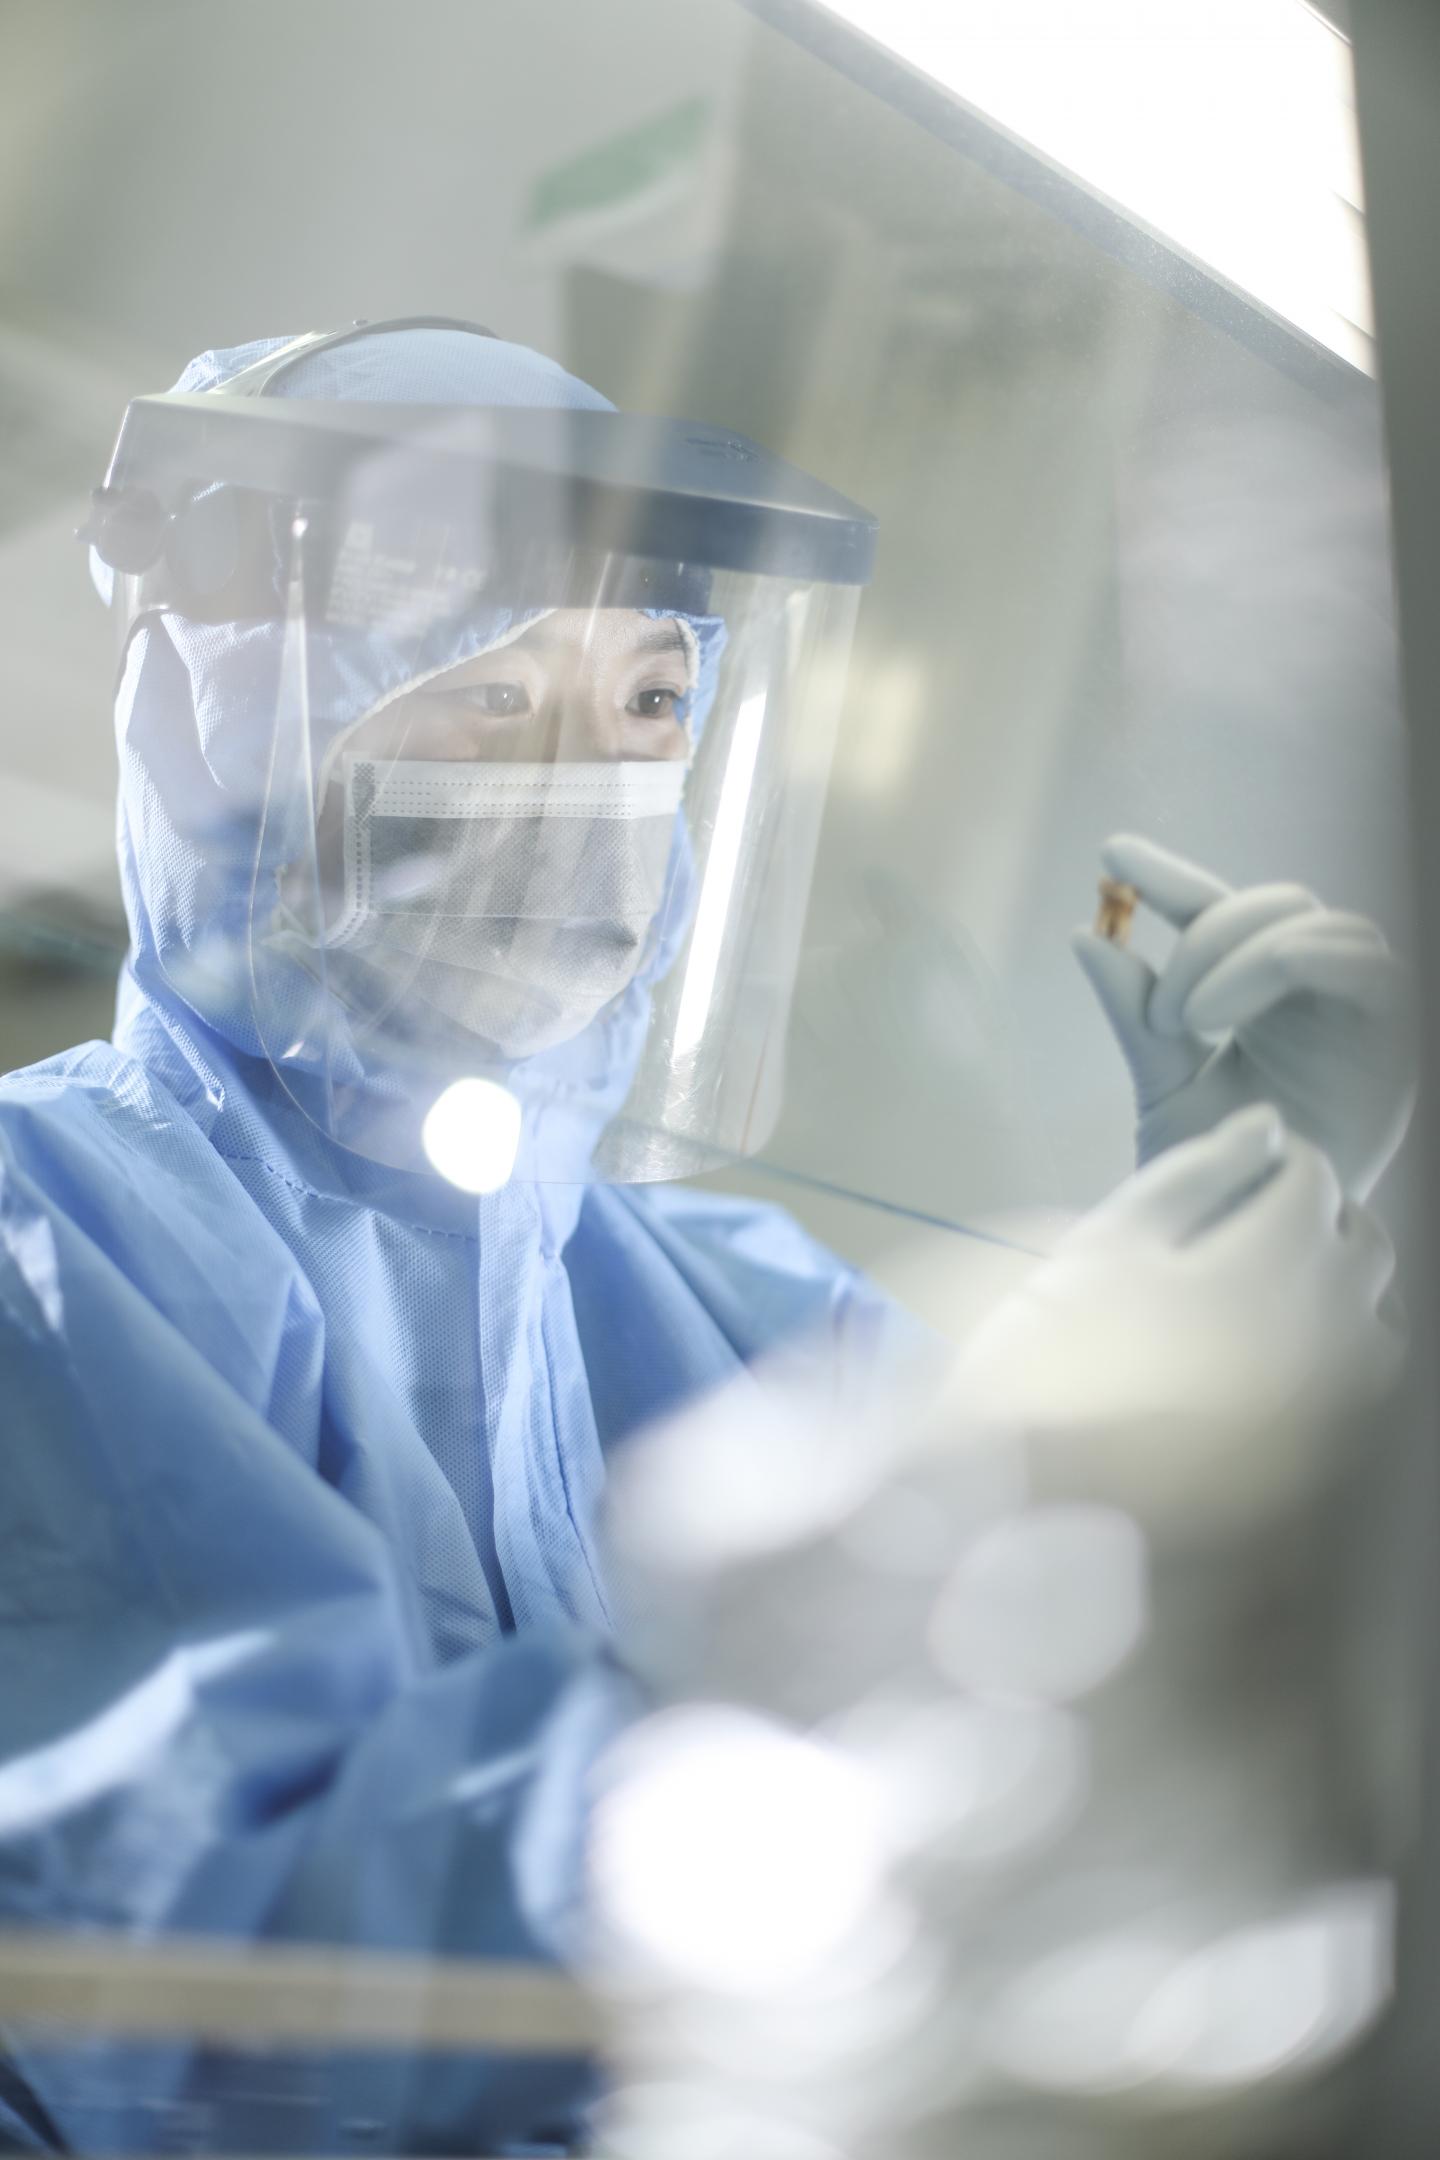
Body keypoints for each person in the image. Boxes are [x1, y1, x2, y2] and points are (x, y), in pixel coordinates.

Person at [0, 321, 1412, 2155]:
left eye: (651, 705)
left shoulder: (738, 1309)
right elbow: (213, 2016)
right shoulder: (52, 1250)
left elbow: (1149, 1812)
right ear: (239, 715)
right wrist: (855, 1634)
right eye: (493, 691)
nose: (584, 783)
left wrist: (1262, 1252)